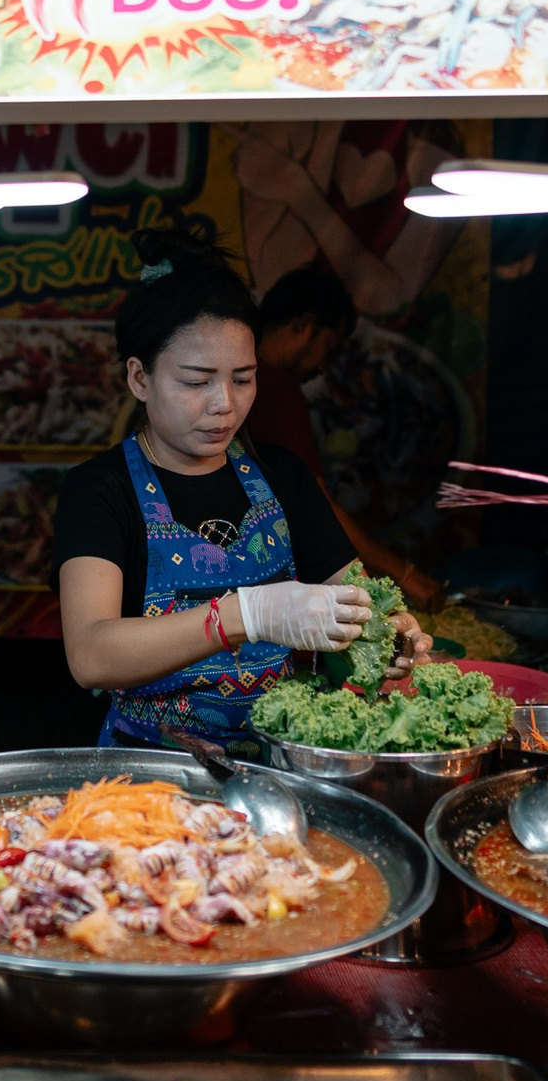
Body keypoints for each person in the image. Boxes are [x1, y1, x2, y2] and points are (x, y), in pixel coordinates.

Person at [52, 228, 431, 753]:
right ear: (139, 378)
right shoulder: (100, 490)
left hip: (280, 766)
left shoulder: (282, 477)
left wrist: (387, 638)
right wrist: (245, 615)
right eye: (195, 381)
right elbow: (92, 654)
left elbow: (355, 604)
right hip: (149, 773)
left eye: (243, 379)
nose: (224, 404)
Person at [252, 262, 444, 612]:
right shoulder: (278, 388)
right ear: (304, 325)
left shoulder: (245, 379)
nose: (325, 366)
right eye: (330, 346)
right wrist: (404, 574)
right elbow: (316, 506)